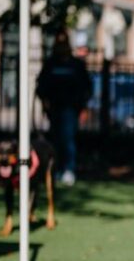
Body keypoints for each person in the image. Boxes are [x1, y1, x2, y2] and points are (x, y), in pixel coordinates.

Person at [36, 29, 92, 186]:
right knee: (55, 140)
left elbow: (86, 88)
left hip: (71, 108)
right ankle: (56, 169)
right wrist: (45, 101)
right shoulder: (51, 64)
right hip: (54, 108)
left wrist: (83, 107)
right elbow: (41, 86)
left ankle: (69, 169)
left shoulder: (76, 65)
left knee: (68, 139)